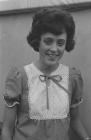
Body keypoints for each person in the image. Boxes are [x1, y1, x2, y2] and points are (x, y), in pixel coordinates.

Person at [1, 7, 90, 140]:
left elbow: (75, 120)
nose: (54, 49)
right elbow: (7, 129)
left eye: (60, 43)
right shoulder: (20, 77)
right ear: (38, 41)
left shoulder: (72, 77)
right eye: (48, 41)